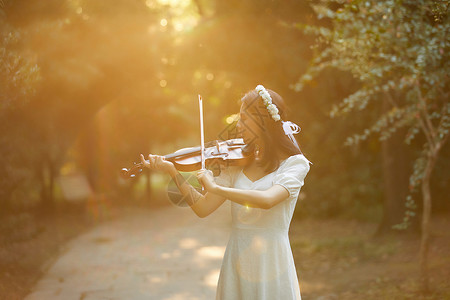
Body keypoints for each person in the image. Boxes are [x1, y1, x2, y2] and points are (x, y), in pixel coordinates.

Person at [140, 85, 312, 300]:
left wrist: (216, 187)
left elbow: (268, 200)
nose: (238, 126)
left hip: (273, 260)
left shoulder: (295, 164)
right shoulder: (237, 163)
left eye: (244, 119)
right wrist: (175, 173)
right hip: (237, 257)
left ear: (263, 122)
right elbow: (203, 208)